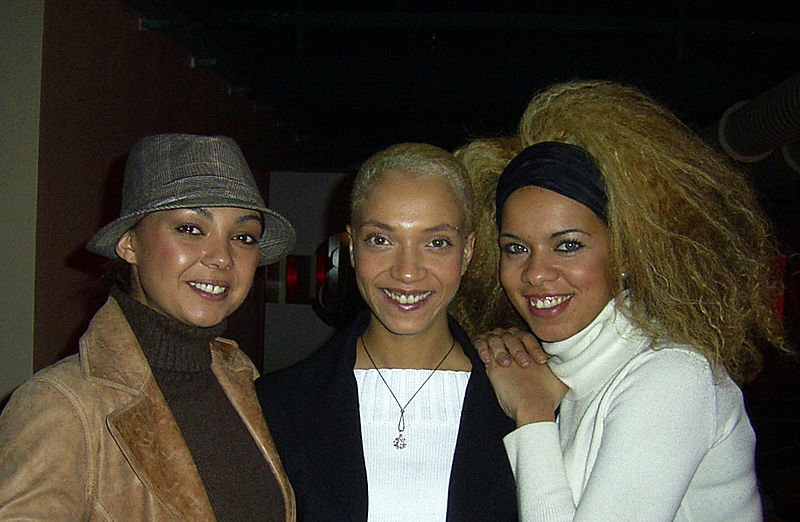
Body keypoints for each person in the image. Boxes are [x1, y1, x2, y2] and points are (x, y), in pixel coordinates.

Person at [466, 80, 788, 520]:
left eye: (568, 245)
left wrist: (532, 412)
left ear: (625, 255)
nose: (536, 273)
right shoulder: (565, 367)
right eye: (516, 248)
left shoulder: (673, 376)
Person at [0, 134, 297, 520]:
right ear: (129, 245)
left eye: (243, 237)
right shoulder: (62, 405)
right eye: (190, 229)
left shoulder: (242, 377)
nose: (222, 257)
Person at [256, 142, 518, 521]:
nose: (407, 271)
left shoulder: (522, 400)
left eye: (436, 242)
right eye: (381, 240)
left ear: (467, 251)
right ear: (351, 249)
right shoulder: (278, 405)